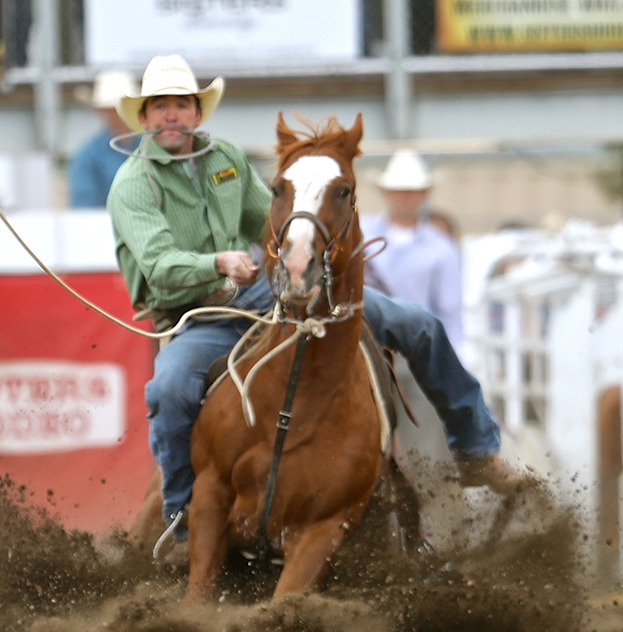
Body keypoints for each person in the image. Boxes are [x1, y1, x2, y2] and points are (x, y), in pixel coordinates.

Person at [106, 54, 532, 549]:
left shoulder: (224, 158)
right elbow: (158, 265)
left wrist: (297, 248)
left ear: (198, 114)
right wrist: (217, 264)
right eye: (160, 107)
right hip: (195, 314)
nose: (172, 115)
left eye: (182, 105)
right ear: (143, 118)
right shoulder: (133, 186)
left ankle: (477, 449)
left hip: (260, 291)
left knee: (417, 324)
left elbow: (268, 222)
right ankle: (181, 511)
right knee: (170, 389)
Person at [361, 149, 464, 348]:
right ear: (386, 193)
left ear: (424, 194)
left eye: (410, 191)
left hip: (415, 347)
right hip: (364, 343)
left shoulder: (442, 248)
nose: (403, 197)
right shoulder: (360, 233)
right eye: (397, 190)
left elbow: (450, 314)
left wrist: (454, 363)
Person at [67, 70, 138, 208]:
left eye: (122, 107)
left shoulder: (153, 146)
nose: (118, 115)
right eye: (111, 109)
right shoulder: (87, 156)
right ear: (101, 111)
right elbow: (84, 211)